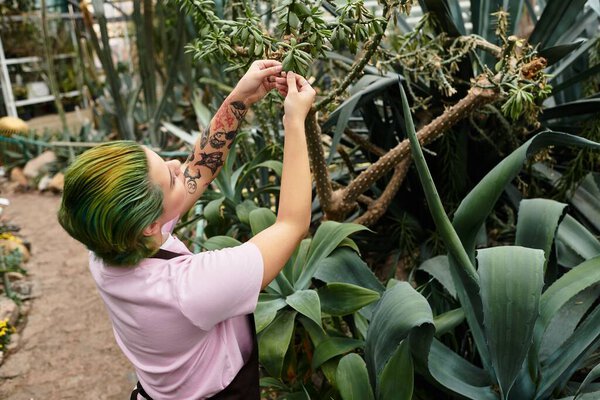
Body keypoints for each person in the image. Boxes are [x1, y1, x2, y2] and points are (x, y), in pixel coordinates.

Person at [57, 60, 315, 399]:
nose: (178, 164)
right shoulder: (190, 289)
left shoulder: (107, 247)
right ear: (150, 226)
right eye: (169, 177)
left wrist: (241, 98)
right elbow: (292, 224)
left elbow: (198, 170)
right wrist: (294, 120)